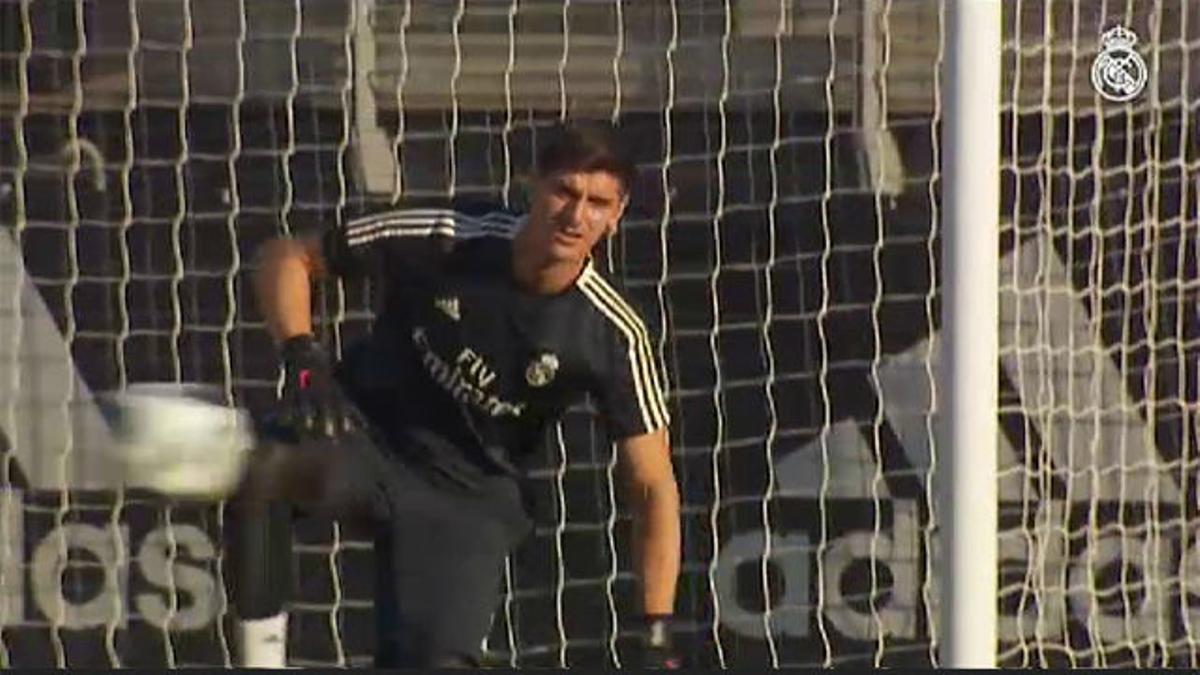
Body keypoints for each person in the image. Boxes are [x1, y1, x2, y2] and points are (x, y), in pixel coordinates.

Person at [243, 122, 682, 667]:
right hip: (366, 438)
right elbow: (288, 255)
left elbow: (652, 484)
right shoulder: (451, 233)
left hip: (466, 496)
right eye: (564, 191)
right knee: (260, 468)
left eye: (597, 203)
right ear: (532, 186)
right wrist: (305, 360)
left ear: (616, 216)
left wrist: (656, 626)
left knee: (431, 662)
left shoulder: (614, 331)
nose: (575, 216)